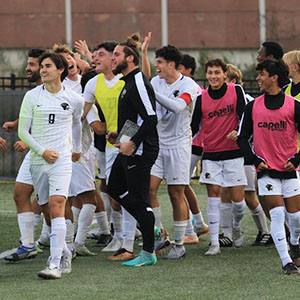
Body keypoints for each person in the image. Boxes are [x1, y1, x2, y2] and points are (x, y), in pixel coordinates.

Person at [18, 52, 83, 279]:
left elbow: (76, 125)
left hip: (62, 160)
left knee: (57, 205)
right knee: (45, 208)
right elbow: (22, 132)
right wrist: (42, 151)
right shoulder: (32, 96)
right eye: (42, 66)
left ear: (60, 70)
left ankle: (54, 264)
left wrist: (77, 149)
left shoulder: (75, 99)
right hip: (38, 160)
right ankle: (64, 251)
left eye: (48, 66)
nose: (43, 70)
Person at [238, 59, 300, 275]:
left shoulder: (294, 105)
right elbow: (242, 138)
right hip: (265, 171)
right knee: (277, 214)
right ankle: (286, 262)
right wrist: (255, 161)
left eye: (262, 74)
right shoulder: (252, 106)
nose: (258, 78)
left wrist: (297, 159)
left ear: (274, 77)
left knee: (296, 219)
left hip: (290, 170)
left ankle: (294, 242)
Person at [106, 33, 159, 267]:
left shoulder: (137, 80)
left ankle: (148, 253)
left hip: (140, 150)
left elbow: (151, 118)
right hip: (128, 146)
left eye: (116, 55)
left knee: (139, 198)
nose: (111, 59)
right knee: (114, 187)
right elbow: (136, 118)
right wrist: (120, 135)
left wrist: (133, 142)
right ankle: (150, 225)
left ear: (130, 58)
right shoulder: (127, 82)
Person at [191, 58, 247, 255]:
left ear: (225, 74)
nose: (213, 76)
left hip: (234, 154)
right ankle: (215, 242)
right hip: (211, 155)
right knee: (213, 195)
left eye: (217, 72)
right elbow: (193, 128)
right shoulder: (201, 98)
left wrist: (239, 133)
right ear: (206, 75)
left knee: (239, 202)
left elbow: (244, 117)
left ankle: (235, 227)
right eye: (210, 73)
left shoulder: (236, 91)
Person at [149, 45, 198, 259]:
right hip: (158, 144)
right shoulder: (155, 82)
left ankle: (180, 244)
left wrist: (154, 95)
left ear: (171, 64)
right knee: (148, 189)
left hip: (179, 146)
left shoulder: (189, 84)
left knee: (175, 193)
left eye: (159, 62)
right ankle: (160, 233)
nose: (156, 66)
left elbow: (178, 107)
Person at [219, 63, 271, 247]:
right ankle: (228, 233)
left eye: (223, 78)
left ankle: (264, 231)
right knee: (224, 191)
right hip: (228, 153)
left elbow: (254, 126)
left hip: (246, 154)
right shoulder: (221, 98)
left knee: (249, 196)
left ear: (233, 81)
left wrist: (239, 134)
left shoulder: (247, 99)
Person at [3, 48, 46, 262]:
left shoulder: (59, 92)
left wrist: (29, 141)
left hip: (54, 155)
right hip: (34, 152)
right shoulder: (33, 93)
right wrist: (18, 126)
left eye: (33, 65)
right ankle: (28, 245)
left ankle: (68, 247)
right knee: (20, 194)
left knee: (56, 203)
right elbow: (32, 115)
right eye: (28, 64)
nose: (27, 68)